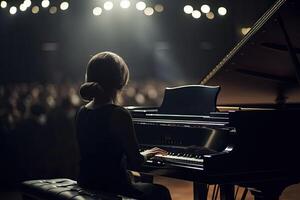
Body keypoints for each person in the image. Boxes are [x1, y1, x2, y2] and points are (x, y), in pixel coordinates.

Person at [76, 52, 172, 200]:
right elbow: (136, 161)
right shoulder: (119, 114)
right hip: (113, 187)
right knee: (161, 192)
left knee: (141, 181)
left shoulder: (82, 112)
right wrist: (148, 153)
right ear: (121, 81)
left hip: (87, 183)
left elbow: (101, 156)